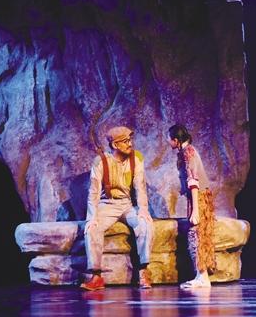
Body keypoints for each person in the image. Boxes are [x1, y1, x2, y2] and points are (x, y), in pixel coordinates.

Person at [80, 126, 154, 291]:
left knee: (145, 223)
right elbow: (94, 192)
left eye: (130, 140)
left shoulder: (137, 158)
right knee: (92, 229)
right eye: (126, 141)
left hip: (127, 204)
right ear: (115, 145)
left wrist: (143, 209)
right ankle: (96, 276)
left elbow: (140, 187)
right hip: (107, 205)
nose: (130, 144)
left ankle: (144, 271)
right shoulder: (100, 162)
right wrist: (92, 218)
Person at [168, 124, 216, 289]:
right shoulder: (185, 152)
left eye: (170, 139)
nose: (168, 142)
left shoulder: (189, 152)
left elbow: (194, 182)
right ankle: (200, 276)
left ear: (176, 140)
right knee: (196, 234)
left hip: (200, 197)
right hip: (196, 197)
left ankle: (203, 277)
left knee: (197, 234)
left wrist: (195, 210)